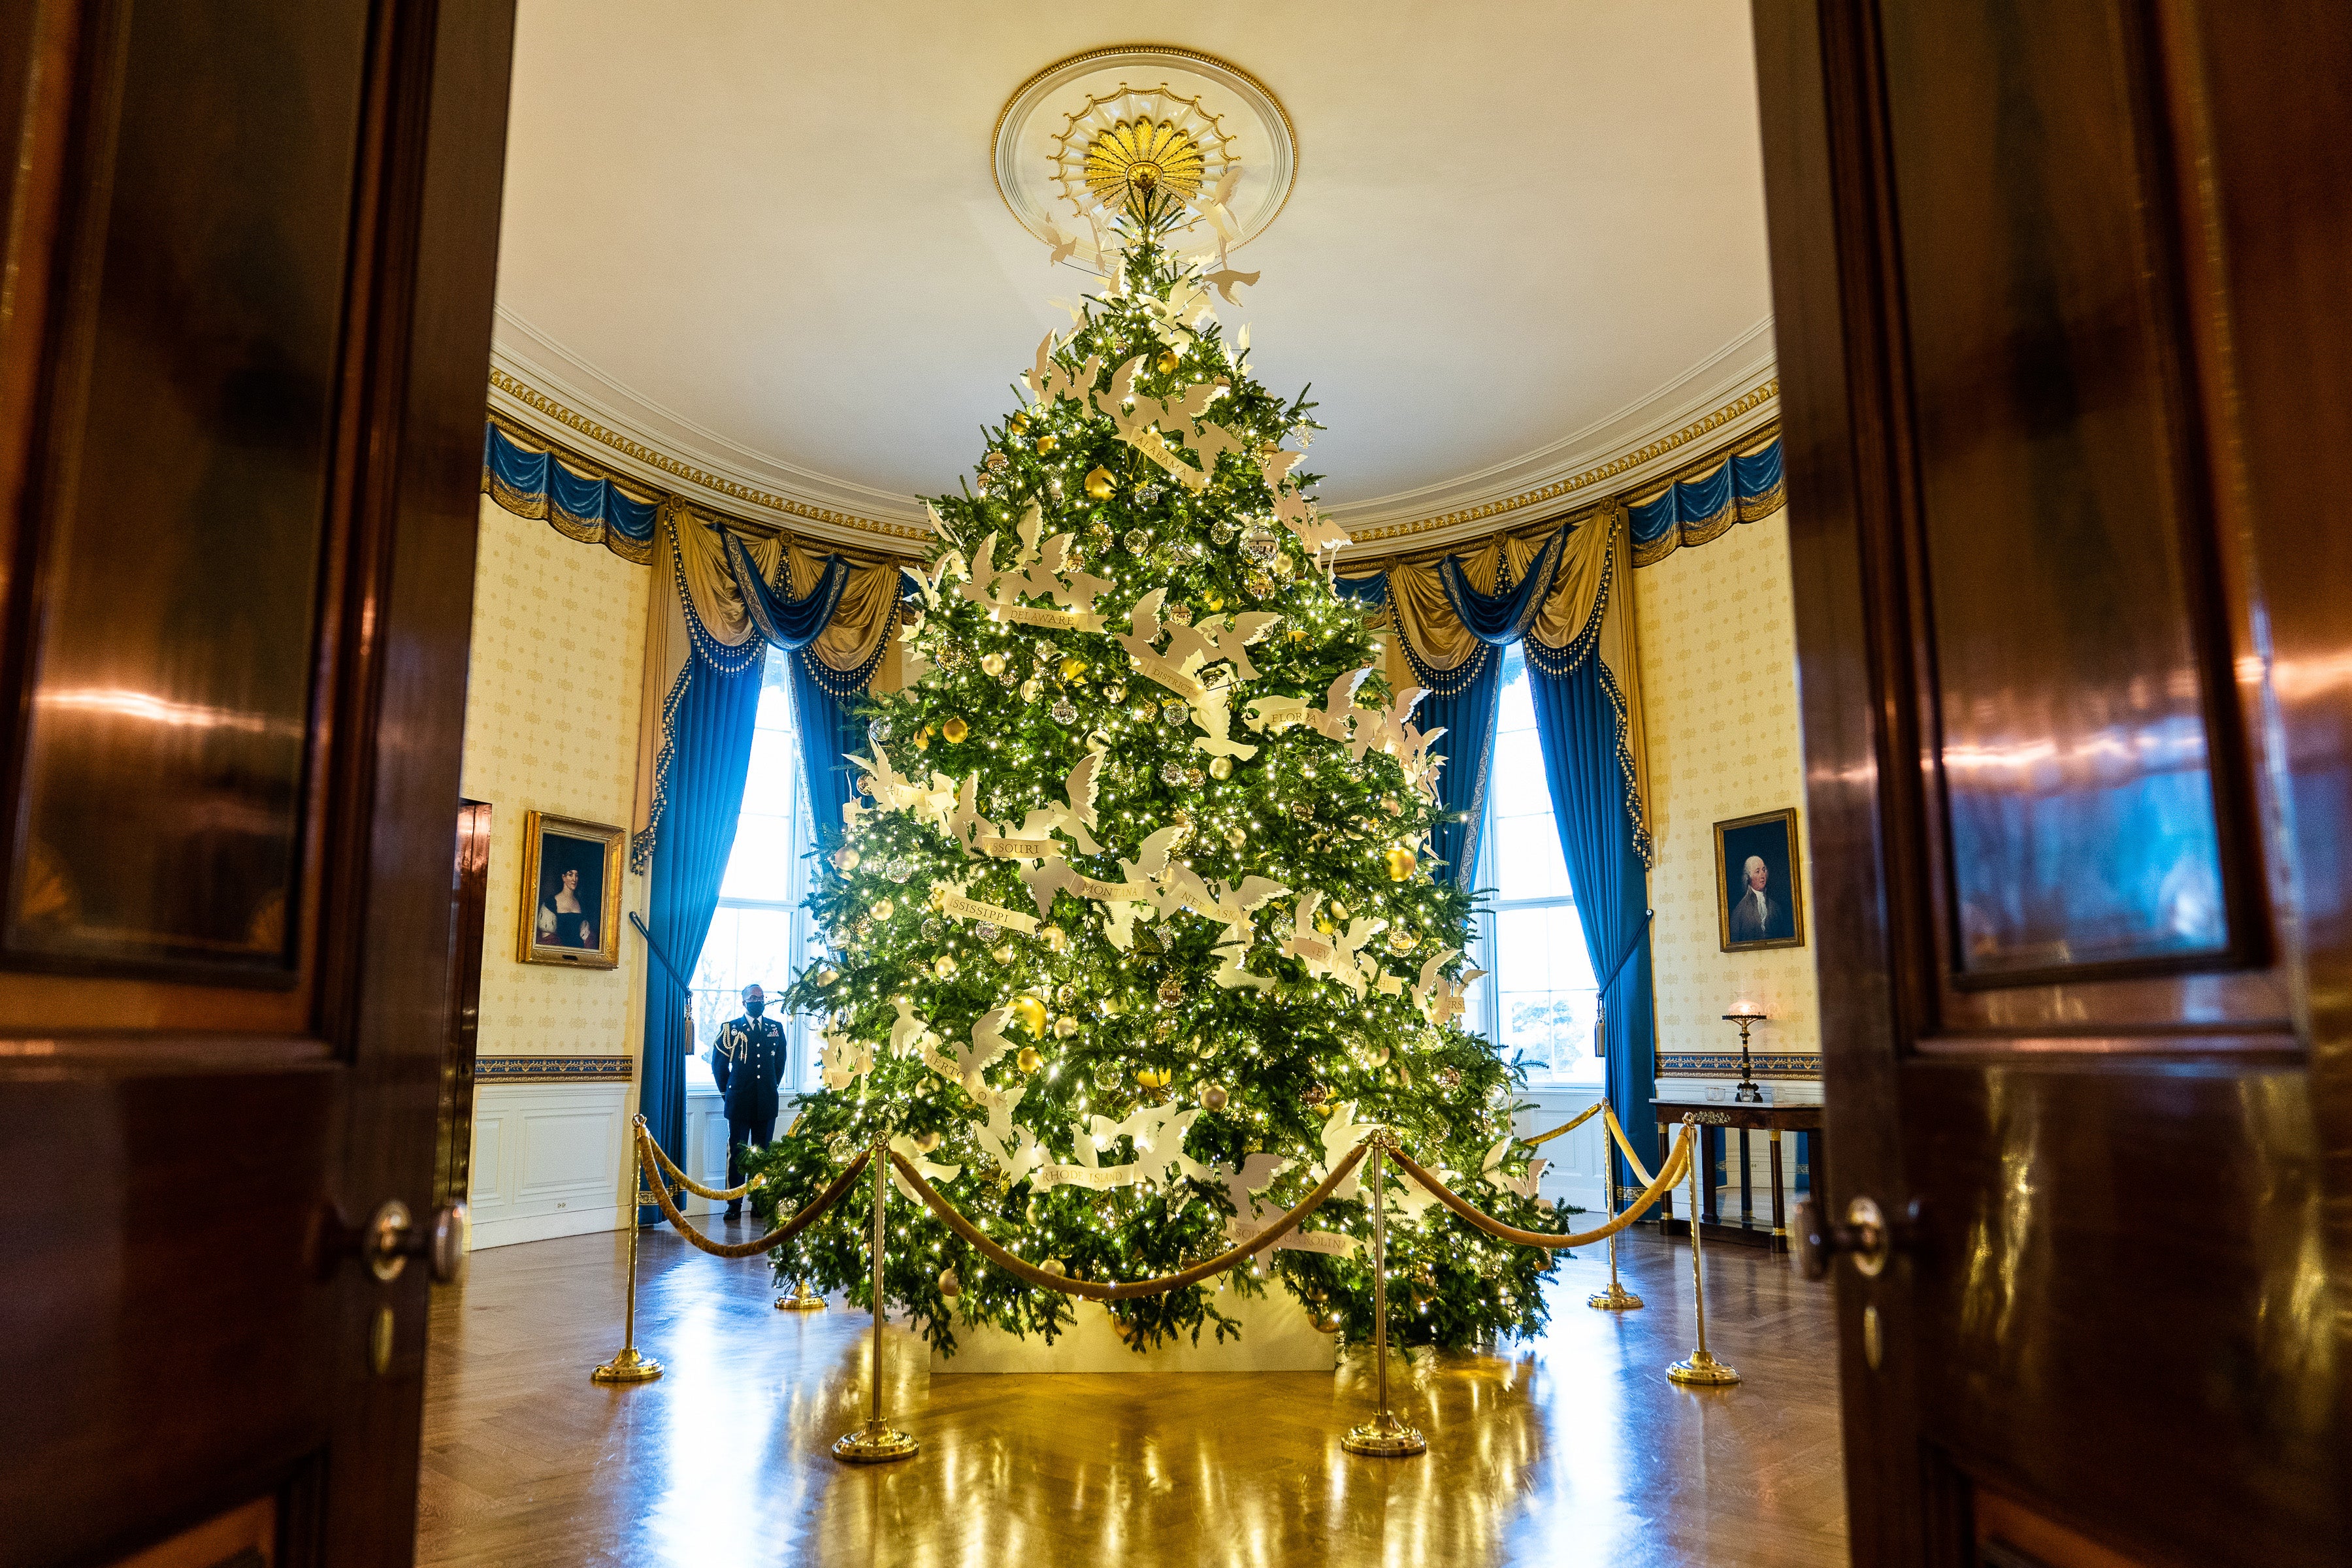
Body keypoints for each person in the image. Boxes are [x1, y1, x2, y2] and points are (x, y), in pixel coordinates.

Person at [711, 983, 787, 1222]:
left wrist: (769, 1086)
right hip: (739, 1101)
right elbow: (719, 1066)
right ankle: (733, 1203)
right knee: (738, 1154)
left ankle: (759, 1201)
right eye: (754, 998)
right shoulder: (731, 1029)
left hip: (765, 1101)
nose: (759, 1001)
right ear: (744, 1002)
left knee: (762, 1154)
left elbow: (780, 1064)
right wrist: (728, 1093)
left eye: (762, 997)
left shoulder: (775, 1028)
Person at [1729, 854, 1791, 942]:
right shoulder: (1739, 911)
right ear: (1748, 877)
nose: (1763, 876)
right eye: (1757, 872)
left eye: (1763, 870)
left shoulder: (1775, 908)